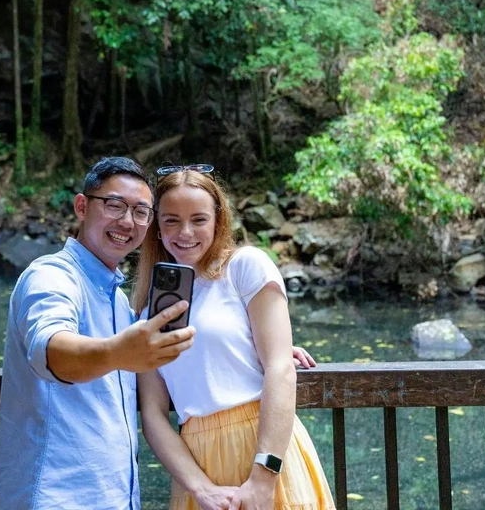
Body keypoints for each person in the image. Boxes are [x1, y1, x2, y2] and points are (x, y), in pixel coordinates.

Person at [0, 156, 195, 510]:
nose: (127, 222)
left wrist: (252, 353)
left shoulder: (117, 300)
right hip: (55, 498)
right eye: (115, 205)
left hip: (114, 498)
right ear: (82, 206)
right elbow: (51, 347)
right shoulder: (52, 276)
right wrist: (116, 353)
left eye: (141, 211)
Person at [133, 166, 334, 510]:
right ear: (155, 227)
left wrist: (264, 475)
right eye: (171, 220)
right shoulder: (146, 313)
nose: (185, 232)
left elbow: (280, 368)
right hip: (197, 467)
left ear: (218, 220)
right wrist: (201, 488)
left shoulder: (245, 267)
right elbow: (152, 414)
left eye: (198, 219)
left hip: (262, 445)